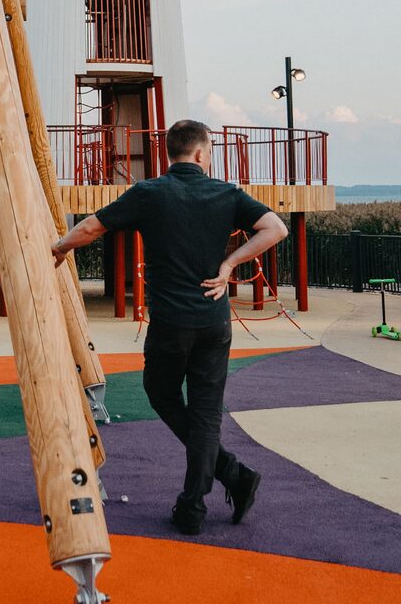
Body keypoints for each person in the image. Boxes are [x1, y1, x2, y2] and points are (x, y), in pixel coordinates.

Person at [53, 119, 288, 536]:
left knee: (160, 392)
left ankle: (212, 491)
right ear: (200, 154)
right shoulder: (226, 193)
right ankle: (210, 491)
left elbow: (91, 227)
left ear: (170, 154)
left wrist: (58, 248)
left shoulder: (149, 193)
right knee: (205, 412)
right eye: (210, 150)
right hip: (214, 322)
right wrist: (231, 263)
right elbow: (276, 228)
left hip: (169, 323)